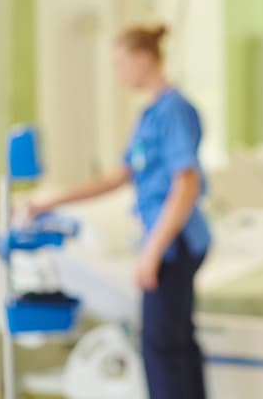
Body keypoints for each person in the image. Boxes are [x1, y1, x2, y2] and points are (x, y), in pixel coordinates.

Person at [29, 25, 209, 399]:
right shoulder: (150, 114)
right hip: (169, 241)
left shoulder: (174, 110)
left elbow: (186, 185)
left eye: (120, 63)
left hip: (175, 242)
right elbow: (118, 176)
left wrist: (152, 252)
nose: (118, 73)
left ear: (143, 59)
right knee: (176, 341)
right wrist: (54, 200)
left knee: (160, 347)